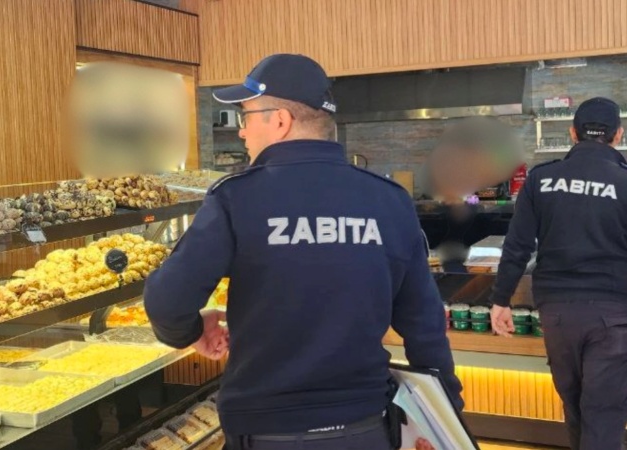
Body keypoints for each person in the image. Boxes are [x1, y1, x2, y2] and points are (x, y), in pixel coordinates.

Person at [144, 53, 463, 450]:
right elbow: (424, 324)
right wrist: (446, 413)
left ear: (279, 121)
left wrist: (192, 331)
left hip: (266, 431)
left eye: (246, 117)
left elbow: (166, 302)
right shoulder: (388, 200)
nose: (242, 132)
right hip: (365, 428)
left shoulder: (236, 198)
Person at [490, 97, 627, 450]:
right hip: (614, 315)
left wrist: (501, 301)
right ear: (618, 135)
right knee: (604, 412)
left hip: (557, 314)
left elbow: (517, 245)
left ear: (572, 133)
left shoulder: (542, 178)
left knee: (575, 406)